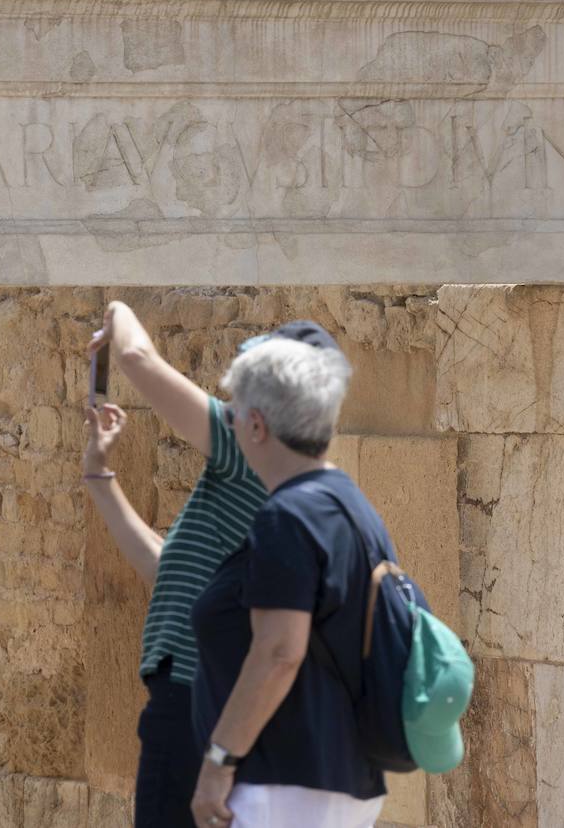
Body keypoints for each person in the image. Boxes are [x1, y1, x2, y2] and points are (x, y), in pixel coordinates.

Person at [82, 304, 331, 827]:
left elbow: (135, 355)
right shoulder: (304, 485)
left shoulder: (250, 447)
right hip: (222, 712)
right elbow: (166, 574)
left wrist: (119, 310)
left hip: (190, 706)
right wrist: (100, 478)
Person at [188, 333, 392, 828]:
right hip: (336, 781)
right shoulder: (348, 505)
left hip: (283, 788)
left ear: (257, 425)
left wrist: (218, 762)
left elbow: (280, 651)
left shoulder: (287, 516)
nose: (230, 423)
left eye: (233, 413)